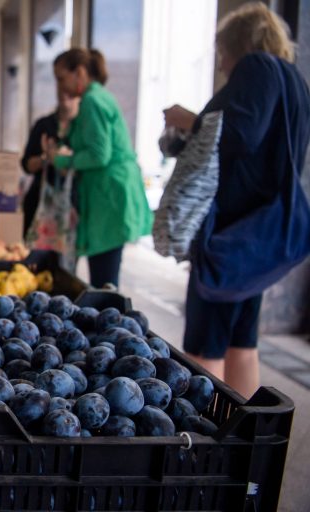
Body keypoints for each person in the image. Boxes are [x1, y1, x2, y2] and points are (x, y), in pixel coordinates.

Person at [163, 3, 310, 398]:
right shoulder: (292, 79)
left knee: (203, 345)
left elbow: (240, 135)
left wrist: (189, 121)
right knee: (242, 340)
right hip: (258, 233)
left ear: (238, 44)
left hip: (229, 232)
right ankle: (244, 433)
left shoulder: (256, 68)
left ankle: (206, 441)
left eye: (223, 52)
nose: (223, 64)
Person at [52, 48, 153, 288]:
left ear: (79, 72)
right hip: (109, 194)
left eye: (61, 78)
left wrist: (62, 160)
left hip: (107, 196)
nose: (60, 86)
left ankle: (108, 323)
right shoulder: (99, 97)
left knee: (104, 282)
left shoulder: (92, 101)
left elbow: (99, 155)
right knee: (105, 276)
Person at [21, 89, 80, 268]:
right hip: (39, 204)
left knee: (65, 265)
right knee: (33, 262)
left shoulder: (82, 128)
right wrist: (47, 157)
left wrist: (66, 162)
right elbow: (26, 164)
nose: (65, 96)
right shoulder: (44, 125)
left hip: (71, 205)